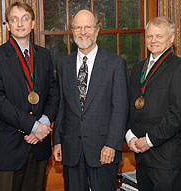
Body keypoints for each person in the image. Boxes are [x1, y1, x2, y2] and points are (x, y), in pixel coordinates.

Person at [0, 2, 59, 191]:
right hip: (8, 149)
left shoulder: (45, 56)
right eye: (14, 19)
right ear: (7, 25)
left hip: (39, 147)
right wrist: (33, 127)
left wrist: (44, 123)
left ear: (33, 23)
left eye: (25, 18)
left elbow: (54, 93)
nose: (20, 24)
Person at [52, 9, 129, 191]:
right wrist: (57, 140)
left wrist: (111, 144)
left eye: (88, 27)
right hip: (71, 150)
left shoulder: (115, 64)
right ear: (72, 31)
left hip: (103, 150)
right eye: (78, 27)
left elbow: (120, 108)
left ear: (97, 29)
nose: (83, 32)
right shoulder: (64, 65)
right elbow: (61, 106)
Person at [126, 17, 181, 191]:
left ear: (171, 38)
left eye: (159, 36)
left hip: (166, 158)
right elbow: (129, 106)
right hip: (140, 155)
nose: (153, 40)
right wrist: (129, 136)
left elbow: (179, 114)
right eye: (150, 36)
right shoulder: (138, 68)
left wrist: (148, 141)